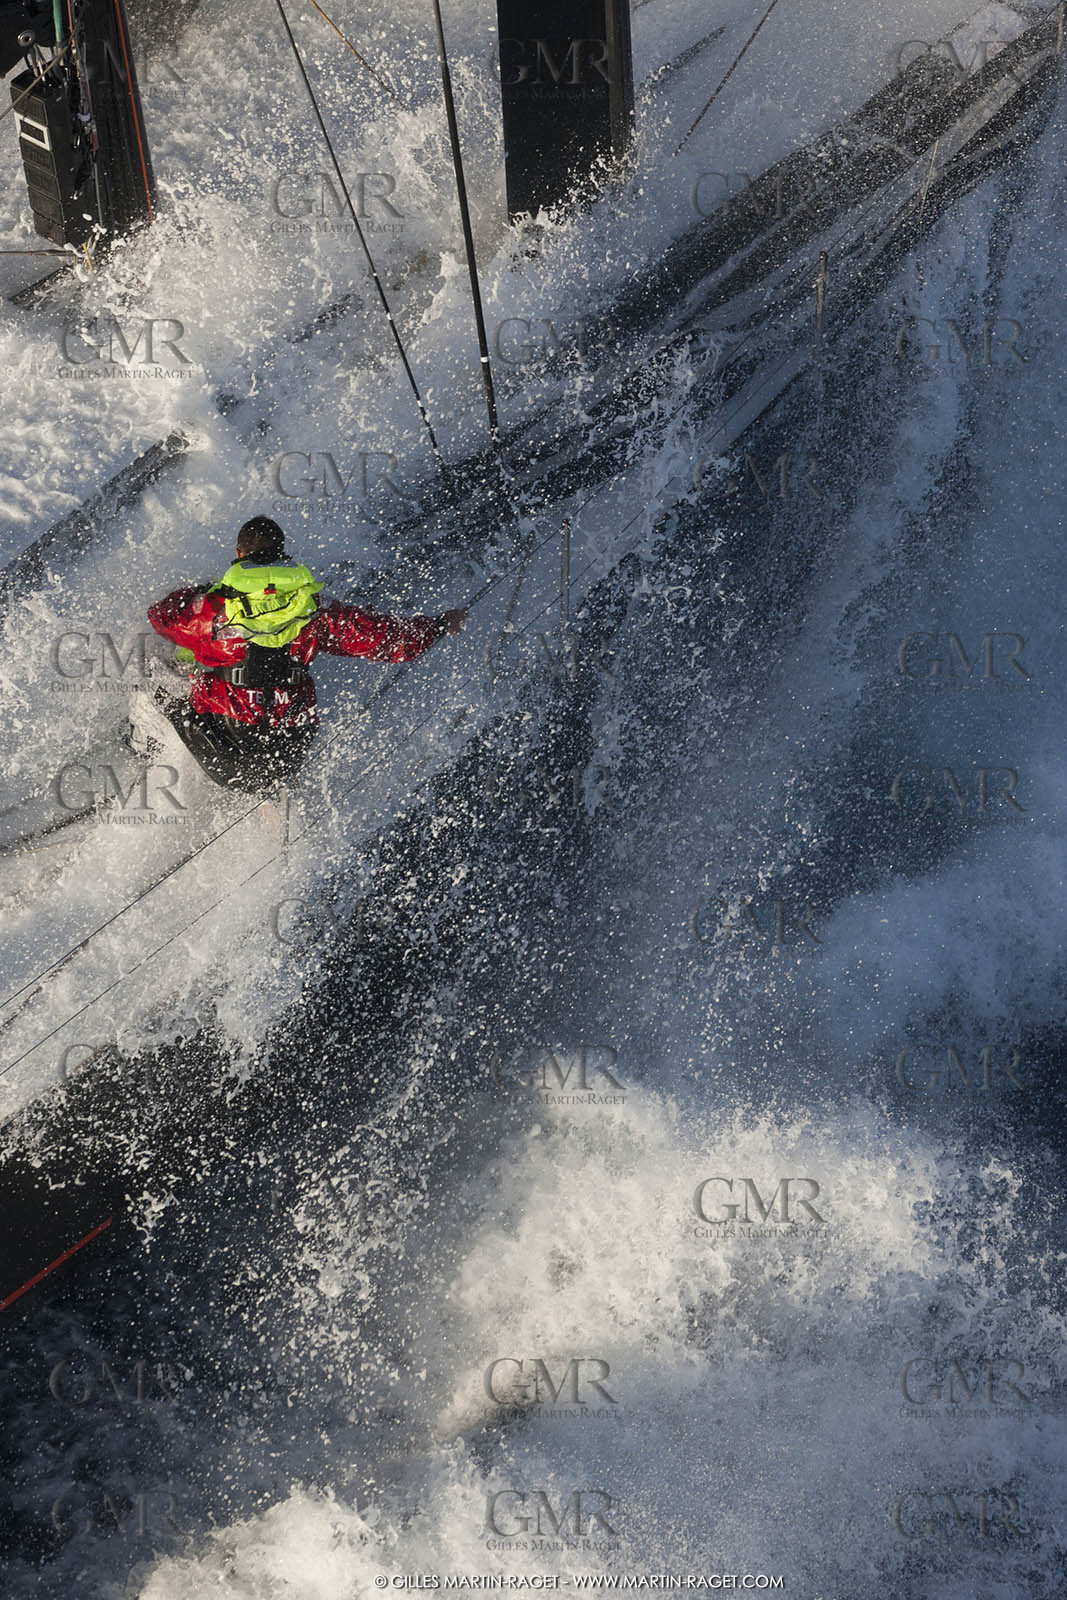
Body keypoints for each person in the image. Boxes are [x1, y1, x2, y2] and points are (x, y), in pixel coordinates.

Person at [145, 516, 466, 792]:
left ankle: (143, 743)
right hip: (291, 751)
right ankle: (272, 788)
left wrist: (202, 590)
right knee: (269, 722)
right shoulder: (314, 608)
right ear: (283, 554)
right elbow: (390, 641)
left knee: (157, 667)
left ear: (239, 554)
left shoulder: (213, 611)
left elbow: (160, 616)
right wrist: (438, 625)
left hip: (229, 756)